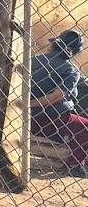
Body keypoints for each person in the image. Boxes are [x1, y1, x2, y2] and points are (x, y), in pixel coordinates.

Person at [29, 28, 87, 177]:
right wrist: (31, 105)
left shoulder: (32, 61)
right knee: (84, 126)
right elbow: (57, 96)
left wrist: (24, 106)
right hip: (49, 120)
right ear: (75, 53)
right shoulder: (71, 70)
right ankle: (75, 164)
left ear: (54, 45)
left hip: (22, 116)